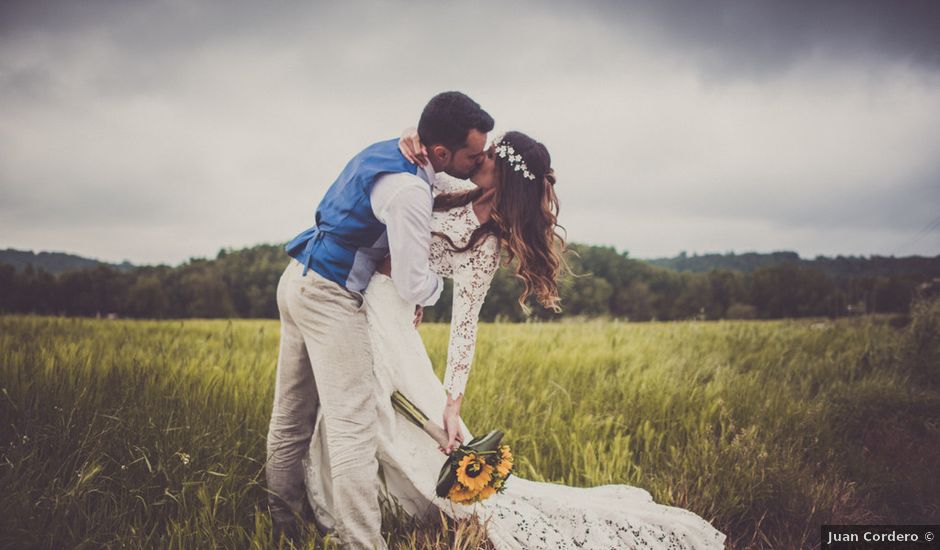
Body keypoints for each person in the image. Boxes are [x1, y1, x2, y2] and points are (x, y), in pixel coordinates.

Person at [303, 130, 728, 548]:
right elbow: (422, 158)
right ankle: (360, 506)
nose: (480, 156)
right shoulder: (449, 184)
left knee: (377, 411)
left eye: (489, 157)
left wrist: (453, 403)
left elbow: (464, 326)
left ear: (503, 175)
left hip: (389, 315)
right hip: (355, 295)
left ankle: (368, 514)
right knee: (359, 407)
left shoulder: (485, 248)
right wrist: (409, 137)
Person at [266, 91, 494, 549]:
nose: (478, 161)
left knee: (290, 418)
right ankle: (361, 543)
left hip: (297, 280)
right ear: (442, 152)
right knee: (354, 426)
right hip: (330, 295)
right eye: (472, 155)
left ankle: (281, 526)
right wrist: (432, 291)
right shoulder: (411, 191)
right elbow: (411, 283)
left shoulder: (388, 150)